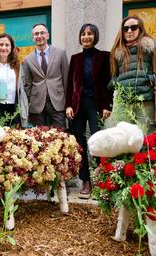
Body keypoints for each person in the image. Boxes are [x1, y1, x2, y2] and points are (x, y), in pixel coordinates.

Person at [66, 23, 113, 198]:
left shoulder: (104, 57)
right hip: (78, 106)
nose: (86, 37)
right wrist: (68, 105)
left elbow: (109, 84)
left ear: (95, 36)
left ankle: (102, 180)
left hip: (96, 105)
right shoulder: (75, 58)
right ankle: (85, 181)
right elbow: (70, 84)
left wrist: (107, 106)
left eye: (89, 34)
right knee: (80, 143)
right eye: (83, 34)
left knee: (98, 141)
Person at [109, 15, 156, 134]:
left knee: (146, 140)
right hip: (124, 103)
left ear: (140, 29)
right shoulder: (117, 53)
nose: (129, 31)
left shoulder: (150, 49)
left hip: (146, 102)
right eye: (125, 28)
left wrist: (150, 79)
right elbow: (113, 76)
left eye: (133, 27)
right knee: (124, 140)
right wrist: (117, 84)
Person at [24, 23, 68, 128]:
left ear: (47, 35)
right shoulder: (27, 59)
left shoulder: (60, 53)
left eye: (42, 33)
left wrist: (68, 102)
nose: (39, 36)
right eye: (36, 34)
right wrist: (29, 104)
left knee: (60, 135)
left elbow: (66, 78)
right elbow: (27, 84)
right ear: (33, 38)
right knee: (39, 138)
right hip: (37, 103)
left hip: (57, 101)